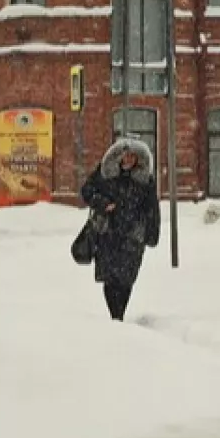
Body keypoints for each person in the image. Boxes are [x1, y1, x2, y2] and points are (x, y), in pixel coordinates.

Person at [79, 136, 160, 321]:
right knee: (109, 277)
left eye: (133, 157)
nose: (129, 160)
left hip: (133, 236)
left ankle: (119, 314)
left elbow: (152, 207)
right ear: (119, 156)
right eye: (126, 156)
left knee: (126, 278)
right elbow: (87, 191)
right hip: (108, 233)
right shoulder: (105, 173)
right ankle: (115, 316)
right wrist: (102, 203)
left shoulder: (144, 180)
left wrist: (151, 232)